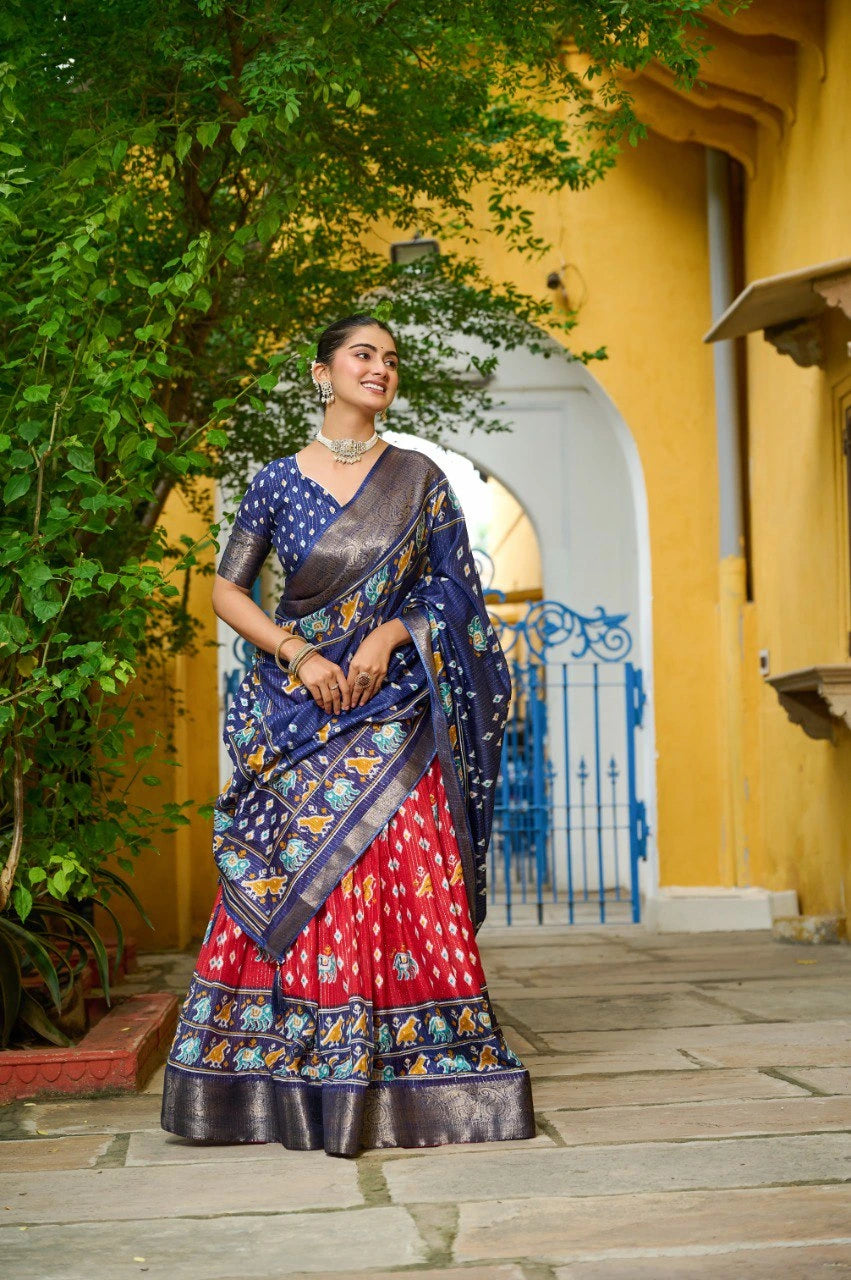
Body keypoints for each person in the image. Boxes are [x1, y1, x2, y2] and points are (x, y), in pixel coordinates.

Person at [160, 313, 536, 1157]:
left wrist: (386, 635)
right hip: (298, 712)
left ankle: (423, 1064)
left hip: (395, 707)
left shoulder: (419, 477)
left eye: (391, 360)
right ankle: (266, 1066)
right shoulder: (274, 483)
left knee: (406, 863)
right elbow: (227, 590)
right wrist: (296, 654)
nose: (380, 369)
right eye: (363, 355)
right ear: (323, 371)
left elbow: (453, 592)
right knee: (289, 871)